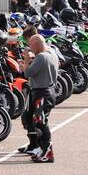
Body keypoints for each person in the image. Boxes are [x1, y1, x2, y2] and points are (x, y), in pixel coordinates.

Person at [20, 34, 58, 163]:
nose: (29, 47)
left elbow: (27, 73)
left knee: (41, 123)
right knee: (38, 121)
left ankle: (48, 152)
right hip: (49, 91)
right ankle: (42, 150)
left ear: (36, 44)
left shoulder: (41, 57)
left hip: (41, 93)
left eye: (31, 44)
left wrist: (26, 60)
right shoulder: (51, 53)